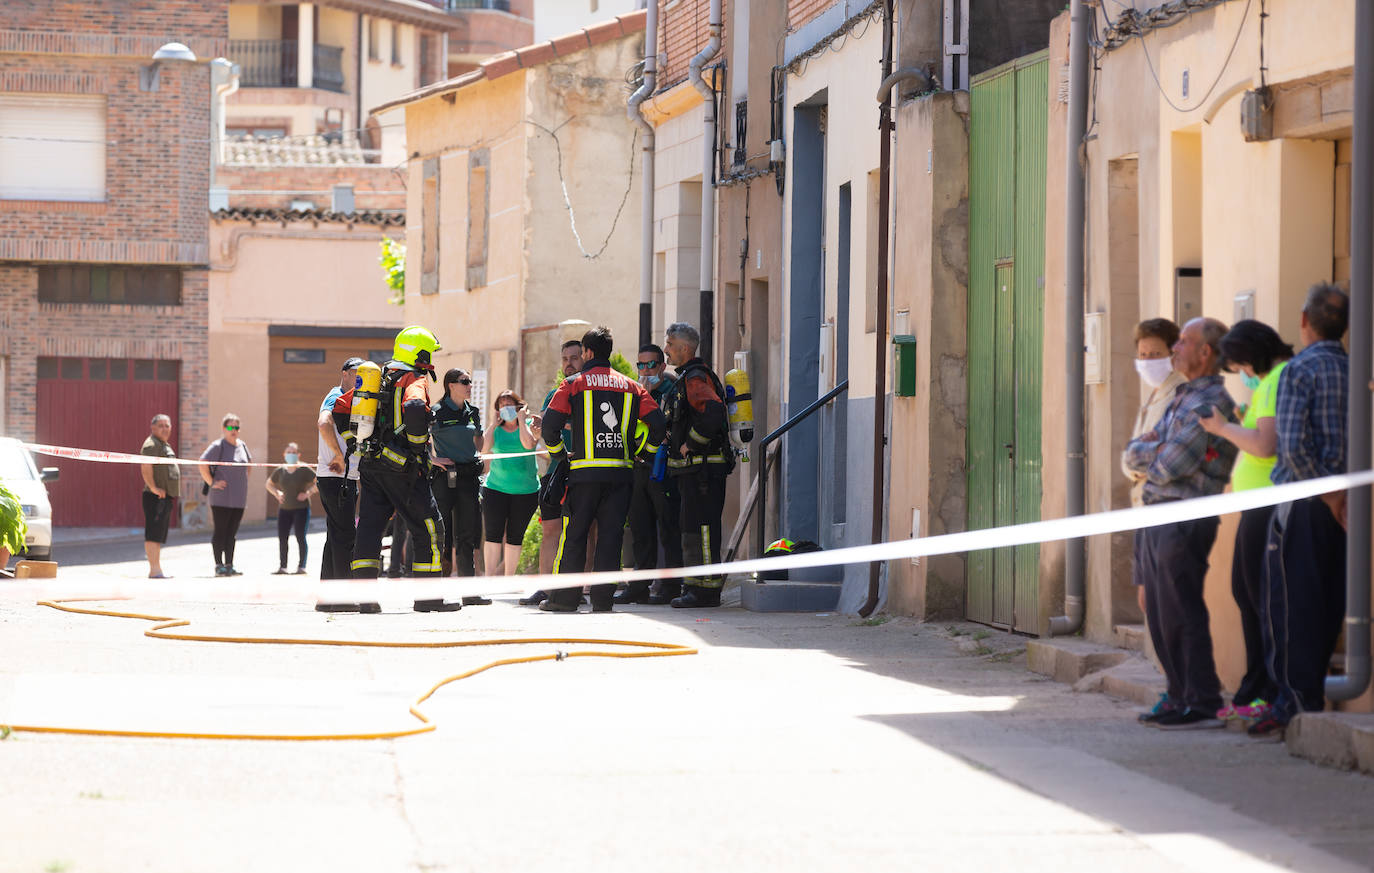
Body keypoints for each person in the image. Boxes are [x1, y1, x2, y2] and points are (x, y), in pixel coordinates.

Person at [1123, 317, 1238, 730]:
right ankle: (1177, 693)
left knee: (1180, 608)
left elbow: (1173, 463)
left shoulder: (1211, 402)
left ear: (1205, 352)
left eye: (1183, 342)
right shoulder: (1180, 396)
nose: (1175, 350)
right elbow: (1133, 453)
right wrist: (1150, 456)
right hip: (1156, 512)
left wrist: (1148, 458)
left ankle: (1202, 700)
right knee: (1157, 610)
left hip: (1184, 517)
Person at [1250, 283, 1350, 737]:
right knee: (1328, 602)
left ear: (1305, 321)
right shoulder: (1356, 368)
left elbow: (1292, 448)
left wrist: (1327, 495)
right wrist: (1342, 496)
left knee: (1290, 605)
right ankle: (1306, 695)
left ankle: (1294, 700)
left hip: (1306, 503)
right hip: (1349, 507)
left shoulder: (1298, 371)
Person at [1197, 320, 1293, 725]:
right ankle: (1256, 683)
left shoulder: (1275, 379)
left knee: (1260, 598)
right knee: (1246, 592)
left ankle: (1266, 687)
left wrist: (1222, 428)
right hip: (1256, 504)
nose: (1243, 376)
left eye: (1241, 367)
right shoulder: (1269, 381)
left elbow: (1264, 444)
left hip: (1268, 504)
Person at [540, 326, 666, 612]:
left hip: (584, 474)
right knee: (611, 538)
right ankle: (603, 601)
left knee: (575, 537)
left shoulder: (573, 383)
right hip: (621, 475)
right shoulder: (632, 386)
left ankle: (564, 600)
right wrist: (642, 455)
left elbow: (550, 425)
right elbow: (658, 425)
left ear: (587, 352)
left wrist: (560, 456)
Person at [344, 325, 458, 614]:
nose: (431, 357)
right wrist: (419, 447)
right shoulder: (413, 378)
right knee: (430, 528)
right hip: (403, 470)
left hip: (370, 466)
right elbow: (416, 406)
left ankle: (366, 599)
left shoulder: (377, 377)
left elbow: (341, 408)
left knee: (369, 529)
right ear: (420, 352)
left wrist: (352, 442)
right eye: (429, 352)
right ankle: (429, 599)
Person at [661, 322, 733, 608]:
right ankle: (694, 587)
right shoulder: (687, 378)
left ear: (684, 348)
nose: (666, 350)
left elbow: (713, 411)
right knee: (691, 527)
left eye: (669, 344)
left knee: (701, 528)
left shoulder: (695, 378)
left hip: (703, 470)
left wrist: (690, 443)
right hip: (695, 470)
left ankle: (705, 591)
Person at [1122, 318, 1185, 618]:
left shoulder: (1178, 392)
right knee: (1148, 599)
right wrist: (1133, 462)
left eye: (1156, 354)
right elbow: (1133, 453)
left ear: (1173, 353)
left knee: (1165, 601)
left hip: (1166, 509)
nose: (1148, 361)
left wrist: (1135, 460)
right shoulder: (1154, 393)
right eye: (1144, 355)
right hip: (1144, 508)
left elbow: (1162, 453)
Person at [617, 342, 683, 605]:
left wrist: (649, 398)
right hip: (638, 467)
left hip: (663, 468)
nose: (645, 370)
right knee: (640, 527)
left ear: (662, 366)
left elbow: (671, 427)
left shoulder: (672, 391)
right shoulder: (633, 392)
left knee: (669, 528)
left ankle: (671, 587)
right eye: (640, 365)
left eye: (651, 364)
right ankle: (639, 586)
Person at [520, 339, 584, 606]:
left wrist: (566, 428)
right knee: (550, 531)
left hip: (583, 471)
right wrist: (538, 432)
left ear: (585, 359)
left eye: (574, 357)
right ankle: (545, 587)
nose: (569, 363)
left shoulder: (588, 393)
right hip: (555, 472)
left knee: (584, 532)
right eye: (565, 358)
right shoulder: (553, 395)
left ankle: (583, 589)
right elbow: (545, 438)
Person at [431, 367, 488, 604]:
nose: (469, 386)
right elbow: (419, 439)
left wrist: (479, 447)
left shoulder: (472, 411)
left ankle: (469, 594)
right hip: (444, 478)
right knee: (441, 536)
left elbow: (480, 442)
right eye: (465, 382)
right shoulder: (436, 411)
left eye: (470, 382)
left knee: (467, 536)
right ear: (450, 385)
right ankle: (435, 594)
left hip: (467, 478)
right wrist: (432, 459)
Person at [481, 389, 540, 578]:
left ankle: (509, 578)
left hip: (526, 491)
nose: (506, 408)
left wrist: (522, 421)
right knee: (493, 534)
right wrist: (492, 424)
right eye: (502, 405)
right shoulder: (495, 429)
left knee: (515, 536)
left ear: (518, 406)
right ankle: (490, 577)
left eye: (509, 404)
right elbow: (484, 448)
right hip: (496, 489)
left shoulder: (529, 424)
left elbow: (528, 444)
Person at [316, 357, 363, 585]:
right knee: (345, 536)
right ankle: (343, 597)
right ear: (344, 373)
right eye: (356, 372)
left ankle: (327, 597)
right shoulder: (336, 396)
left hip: (340, 478)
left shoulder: (352, 400)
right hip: (336, 478)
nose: (360, 377)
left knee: (335, 535)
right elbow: (324, 423)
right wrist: (337, 454)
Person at [199, 413, 252, 577]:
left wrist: (241, 482)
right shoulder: (218, 446)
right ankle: (219, 565)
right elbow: (202, 463)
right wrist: (212, 482)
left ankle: (229, 565)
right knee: (220, 531)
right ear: (224, 429)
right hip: (221, 498)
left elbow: (249, 465)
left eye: (236, 427)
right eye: (230, 427)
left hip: (239, 498)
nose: (233, 430)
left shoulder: (242, 445)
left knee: (232, 533)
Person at [267, 442, 317, 575]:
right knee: (283, 538)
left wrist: (308, 493)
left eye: (294, 452)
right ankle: (283, 567)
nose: (291, 455)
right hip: (284, 509)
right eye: (288, 452)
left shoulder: (304, 469)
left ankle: (302, 567)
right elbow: (269, 484)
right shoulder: (280, 470)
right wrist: (277, 493)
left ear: (298, 454)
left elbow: (319, 481)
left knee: (300, 536)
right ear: (284, 454)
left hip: (301, 509)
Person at [139, 413, 179, 579]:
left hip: (163, 497)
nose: (164, 429)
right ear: (153, 427)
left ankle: (157, 568)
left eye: (167, 425)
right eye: (161, 425)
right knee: (153, 533)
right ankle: (154, 570)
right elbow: (146, 467)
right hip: (155, 496)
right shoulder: (151, 445)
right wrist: (154, 487)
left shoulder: (163, 444)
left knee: (158, 534)